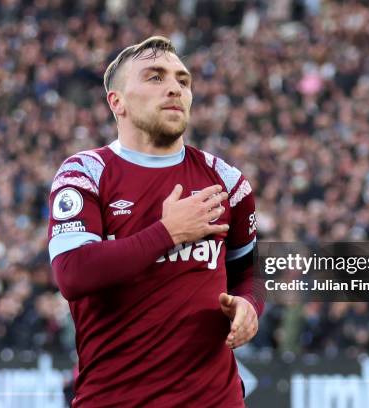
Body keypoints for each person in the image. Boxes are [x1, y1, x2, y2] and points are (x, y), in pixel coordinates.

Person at [47, 36, 264, 407]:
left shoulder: (227, 181)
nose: (174, 89)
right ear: (117, 102)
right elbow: (72, 274)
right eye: (155, 77)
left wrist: (248, 307)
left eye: (183, 81)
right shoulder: (86, 172)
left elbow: (249, 272)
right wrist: (167, 233)